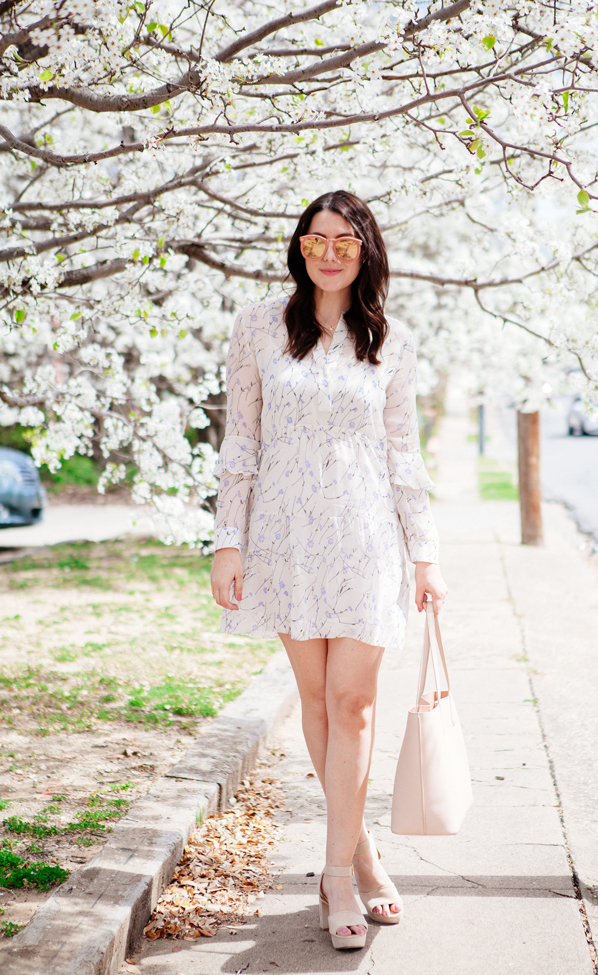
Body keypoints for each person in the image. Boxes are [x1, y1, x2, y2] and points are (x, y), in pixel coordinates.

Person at [210, 190, 447, 950]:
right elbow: (241, 441)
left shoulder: (391, 341)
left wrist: (426, 550)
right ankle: (363, 853)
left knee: (352, 706)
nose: (331, 251)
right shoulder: (256, 327)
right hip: (286, 539)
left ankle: (335, 873)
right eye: (318, 239)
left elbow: (403, 452)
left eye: (346, 239)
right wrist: (227, 540)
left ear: (366, 249)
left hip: (367, 538)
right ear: (300, 247)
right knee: (314, 699)